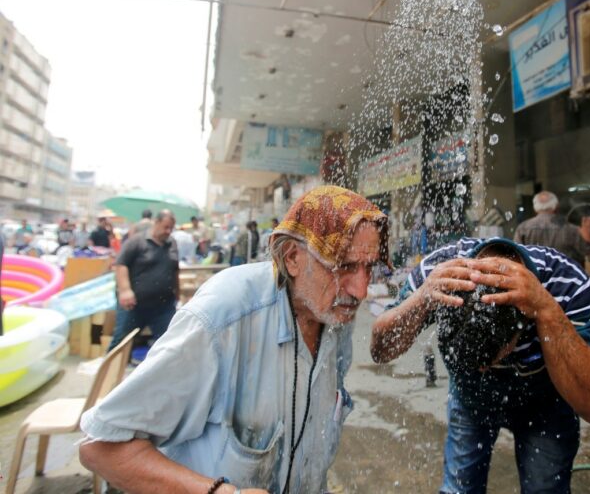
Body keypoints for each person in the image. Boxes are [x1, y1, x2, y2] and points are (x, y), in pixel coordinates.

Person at [79, 185, 389, 494]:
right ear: (293, 258)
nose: (361, 290)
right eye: (343, 266)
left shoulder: (334, 317)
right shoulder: (222, 319)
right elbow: (100, 448)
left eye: (369, 267)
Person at [371, 237, 590, 494]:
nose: (483, 370)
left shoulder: (566, 283)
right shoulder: (440, 273)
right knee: (459, 489)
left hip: (547, 405)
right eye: (473, 365)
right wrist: (421, 298)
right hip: (470, 399)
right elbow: (380, 350)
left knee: (546, 488)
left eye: (489, 361)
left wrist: (546, 309)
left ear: (522, 323)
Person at [106, 210, 179, 352]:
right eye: (166, 227)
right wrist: (125, 290)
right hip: (134, 304)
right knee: (122, 341)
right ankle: (110, 372)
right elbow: (121, 265)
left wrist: (177, 292)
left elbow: (175, 269)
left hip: (163, 305)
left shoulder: (172, 243)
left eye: (171, 228)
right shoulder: (137, 241)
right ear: (156, 223)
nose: (168, 231)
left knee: (168, 343)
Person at [514, 191, 590, 263]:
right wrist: (587, 236)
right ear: (556, 206)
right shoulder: (570, 229)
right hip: (563, 276)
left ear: (535, 208)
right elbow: (588, 253)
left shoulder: (522, 228)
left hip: (534, 276)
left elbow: (516, 254)